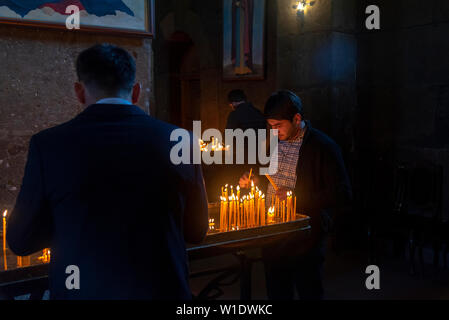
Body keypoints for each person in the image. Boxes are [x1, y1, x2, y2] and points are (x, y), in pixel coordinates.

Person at [6, 44, 209, 300]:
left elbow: (21, 240)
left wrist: (69, 222)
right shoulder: (183, 141)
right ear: (135, 91)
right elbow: (196, 230)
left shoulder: (48, 145)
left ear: (79, 92)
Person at [239, 90, 352, 300]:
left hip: (304, 236)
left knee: (309, 290)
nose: (273, 131)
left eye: (278, 125)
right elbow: (268, 177)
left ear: (297, 118)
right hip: (272, 233)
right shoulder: (273, 141)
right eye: (270, 126)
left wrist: (295, 197)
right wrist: (255, 180)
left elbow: (342, 193)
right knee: (277, 291)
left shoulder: (323, 147)